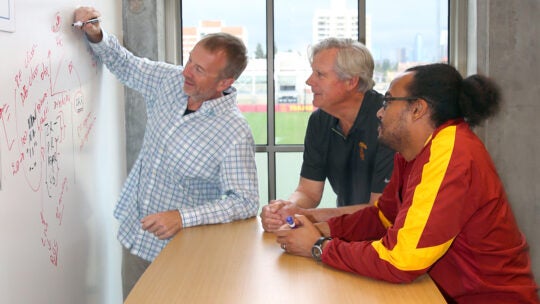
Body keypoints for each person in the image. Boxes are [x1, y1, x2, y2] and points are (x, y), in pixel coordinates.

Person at [274, 63, 539, 303]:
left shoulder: (452, 153)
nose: (379, 112)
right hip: (438, 291)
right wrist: (322, 229)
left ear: (417, 109)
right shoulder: (414, 152)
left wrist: (319, 247)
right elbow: (382, 219)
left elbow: (401, 260)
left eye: (388, 101)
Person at [73, 7, 259, 299]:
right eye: (190, 61)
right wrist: (96, 34)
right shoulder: (170, 82)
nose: (186, 72)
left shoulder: (233, 132)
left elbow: (245, 202)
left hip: (184, 253)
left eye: (199, 69)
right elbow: (127, 65)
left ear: (224, 83)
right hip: (136, 236)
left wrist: (182, 217)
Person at [260, 38, 394, 232]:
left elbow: (380, 211)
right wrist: (286, 209)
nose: (309, 81)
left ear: (351, 81)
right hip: (347, 233)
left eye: (319, 74)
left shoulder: (389, 124)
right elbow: (308, 191)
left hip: (387, 238)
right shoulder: (320, 121)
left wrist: (307, 215)